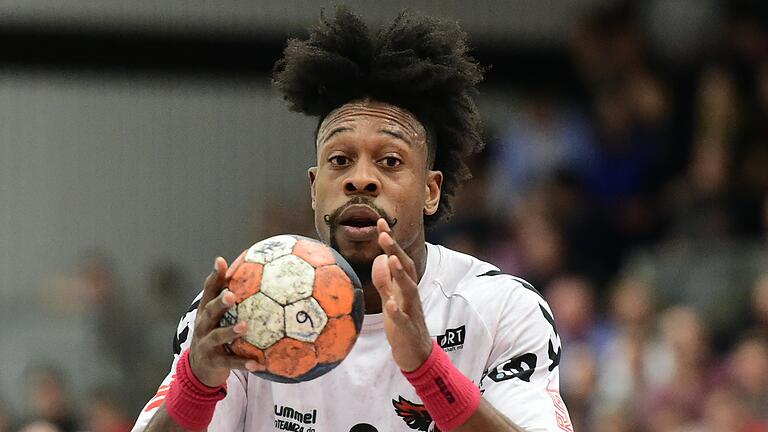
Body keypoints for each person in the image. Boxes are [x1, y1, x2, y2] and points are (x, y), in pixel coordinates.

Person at [132, 7, 572, 432]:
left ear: (430, 191)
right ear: (313, 186)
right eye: (340, 160)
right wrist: (195, 387)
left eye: (391, 161)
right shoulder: (239, 308)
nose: (361, 179)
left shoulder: (500, 308)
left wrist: (428, 370)